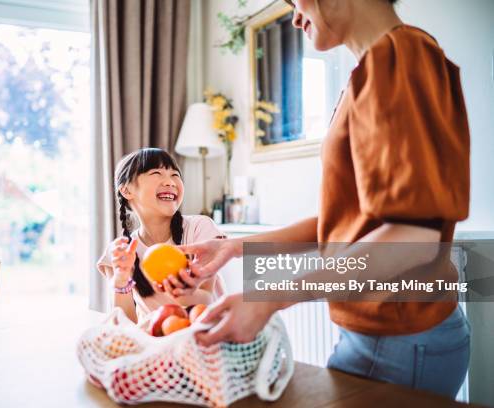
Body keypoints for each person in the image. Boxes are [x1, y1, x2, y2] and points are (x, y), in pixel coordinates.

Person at [173, 0, 471, 398]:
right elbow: (347, 222)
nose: (295, 16)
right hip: (391, 335)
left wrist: (271, 298)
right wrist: (233, 248)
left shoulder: (396, 58)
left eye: (296, 1)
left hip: (398, 337)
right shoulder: (377, 68)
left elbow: (409, 240)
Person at [97, 148, 225, 323]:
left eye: (175, 175)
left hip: (209, 336)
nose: (170, 182)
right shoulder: (120, 253)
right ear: (126, 190)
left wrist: (177, 292)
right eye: (156, 172)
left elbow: (206, 300)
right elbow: (125, 327)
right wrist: (121, 281)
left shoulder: (200, 228)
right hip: (157, 343)